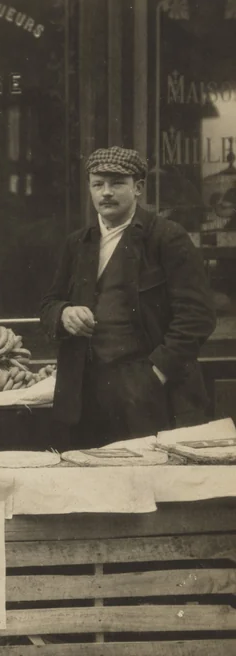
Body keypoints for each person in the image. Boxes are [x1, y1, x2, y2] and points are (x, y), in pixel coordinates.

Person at [39, 147, 215, 447]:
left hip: (152, 396)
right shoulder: (77, 243)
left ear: (138, 188)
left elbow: (197, 317)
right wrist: (64, 314)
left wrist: (156, 373)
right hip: (86, 396)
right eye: (98, 184)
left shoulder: (167, 238)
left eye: (116, 183)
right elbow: (48, 305)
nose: (106, 192)